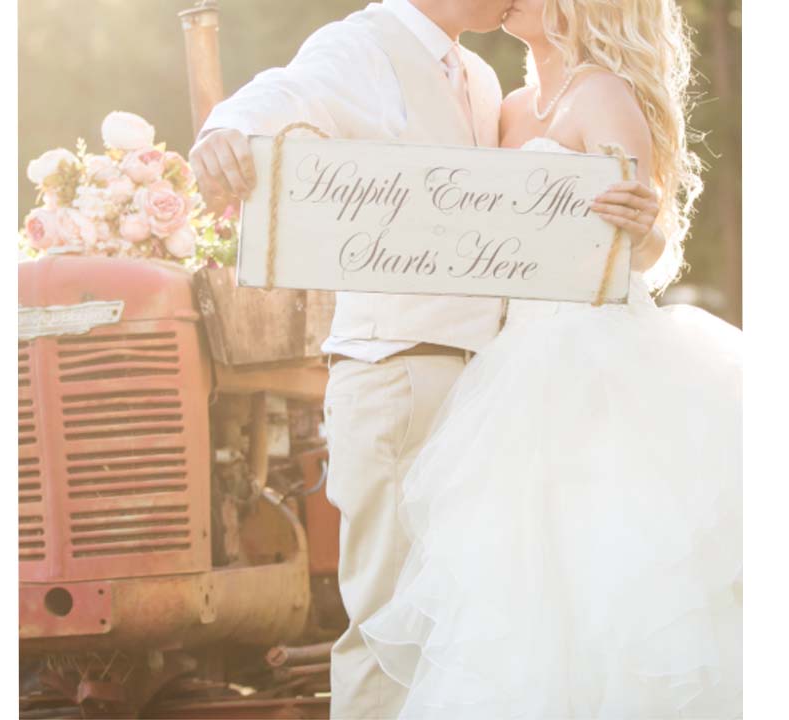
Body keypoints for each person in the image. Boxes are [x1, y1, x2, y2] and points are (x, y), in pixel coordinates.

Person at [358, 0, 743, 717]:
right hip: (514, 358)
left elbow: (651, 241)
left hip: (594, 355)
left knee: (603, 567)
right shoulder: (507, 107)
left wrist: (643, 224)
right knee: (516, 584)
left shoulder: (605, 92)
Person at [190, 2, 516, 717]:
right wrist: (225, 132)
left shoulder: (484, 78)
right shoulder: (362, 44)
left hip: (479, 383)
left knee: (455, 628)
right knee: (386, 626)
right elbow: (284, 93)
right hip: (395, 375)